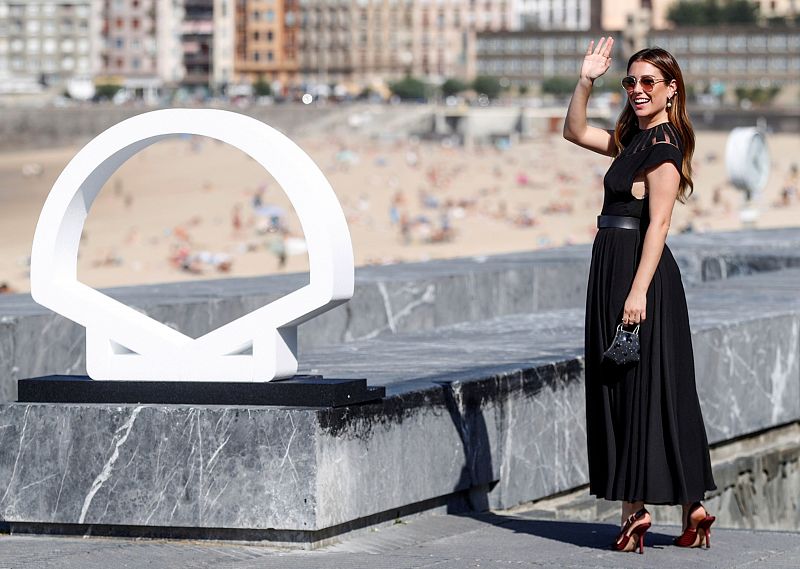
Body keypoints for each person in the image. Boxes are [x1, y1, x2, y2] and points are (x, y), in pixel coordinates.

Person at [563, 38, 717, 554]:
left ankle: (635, 513)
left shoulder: (665, 146)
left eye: (649, 82)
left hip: (638, 273)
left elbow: (660, 224)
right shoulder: (634, 139)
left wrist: (637, 291)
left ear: (672, 90)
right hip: (613, 264)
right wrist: (587, 79)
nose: (637, 90)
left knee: (637, 387)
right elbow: (574, 130)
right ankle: (693, 510)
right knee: (646, 384)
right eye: (631, 81)